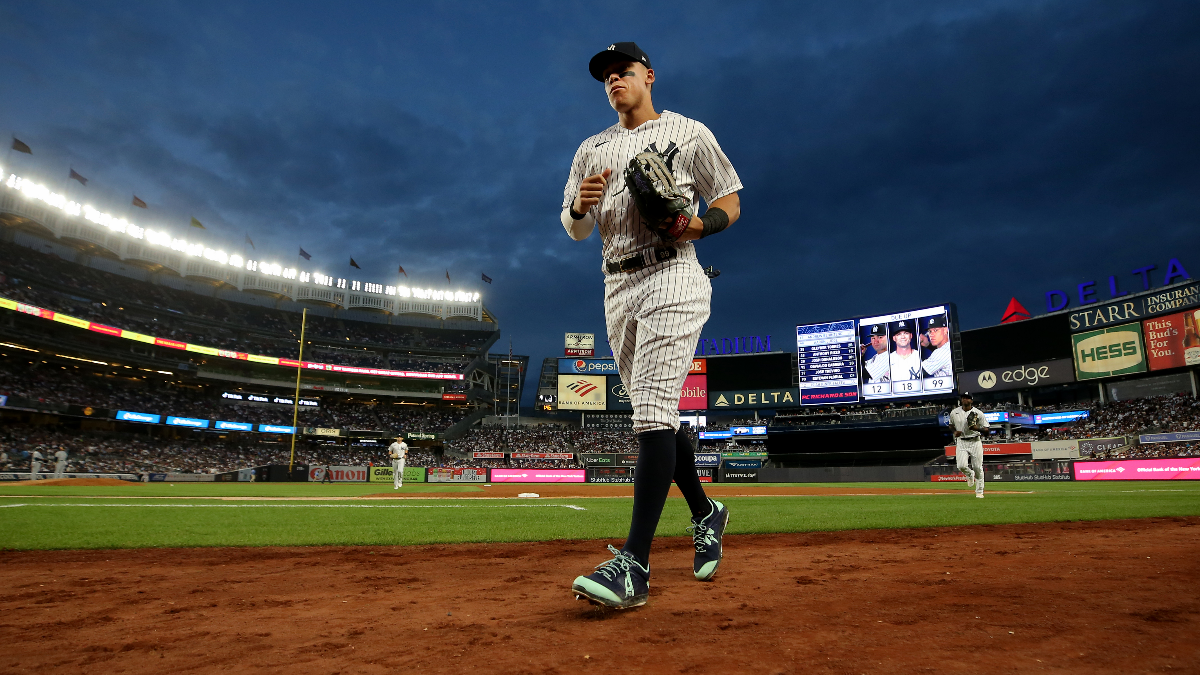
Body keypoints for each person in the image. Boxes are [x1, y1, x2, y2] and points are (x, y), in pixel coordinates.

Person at [561, 42, 740, 609]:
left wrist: (699, 224)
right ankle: (706, 512)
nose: (615, 81)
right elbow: (575, 231)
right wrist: (579, 207)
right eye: (606, 77)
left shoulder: (689, 133)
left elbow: (731, 198)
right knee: (653, 413)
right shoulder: (591, 149)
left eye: (624, 72)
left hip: (674, 274)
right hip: (617, 283)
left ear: (649, 76)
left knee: (655, 413)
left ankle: (634, 566)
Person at [949, 392, 988, 498]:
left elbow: (987, 430)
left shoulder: (978, 413)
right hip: (961, 441)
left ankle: (979, 491)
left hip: (975, 441)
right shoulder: (954, 412)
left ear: (971, 400)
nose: (965, 400)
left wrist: (977, 428)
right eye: (963, 398)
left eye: (967, 398)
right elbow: (951, 425)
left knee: (977, 467)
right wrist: (954, 432)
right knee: (961, 465)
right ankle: (969, 474)